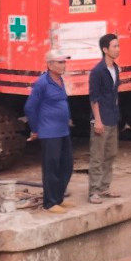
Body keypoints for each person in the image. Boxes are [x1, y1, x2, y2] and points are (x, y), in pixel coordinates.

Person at [25, 49, 74, 212]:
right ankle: (50, 202)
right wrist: (35, 129)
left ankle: (58, 197)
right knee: (51, 167)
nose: (63, 65)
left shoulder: (60, 81)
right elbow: (30, 107)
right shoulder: (42, 83)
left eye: (64, 62)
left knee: (67, 165)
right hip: (49, 132)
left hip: (63, 131)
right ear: (50, 65)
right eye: (60, 62)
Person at [87, 33, 121, 203]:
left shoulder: (115, 69)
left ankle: (105, 187)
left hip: (113, 117)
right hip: (101, 119)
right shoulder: (97, 71)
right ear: (105, 49)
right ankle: (94, 191)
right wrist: (98, 120)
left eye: (118, 46)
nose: (117, 49)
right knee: (97, 157)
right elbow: (94, 98)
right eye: (114, 46)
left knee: (110, 154)